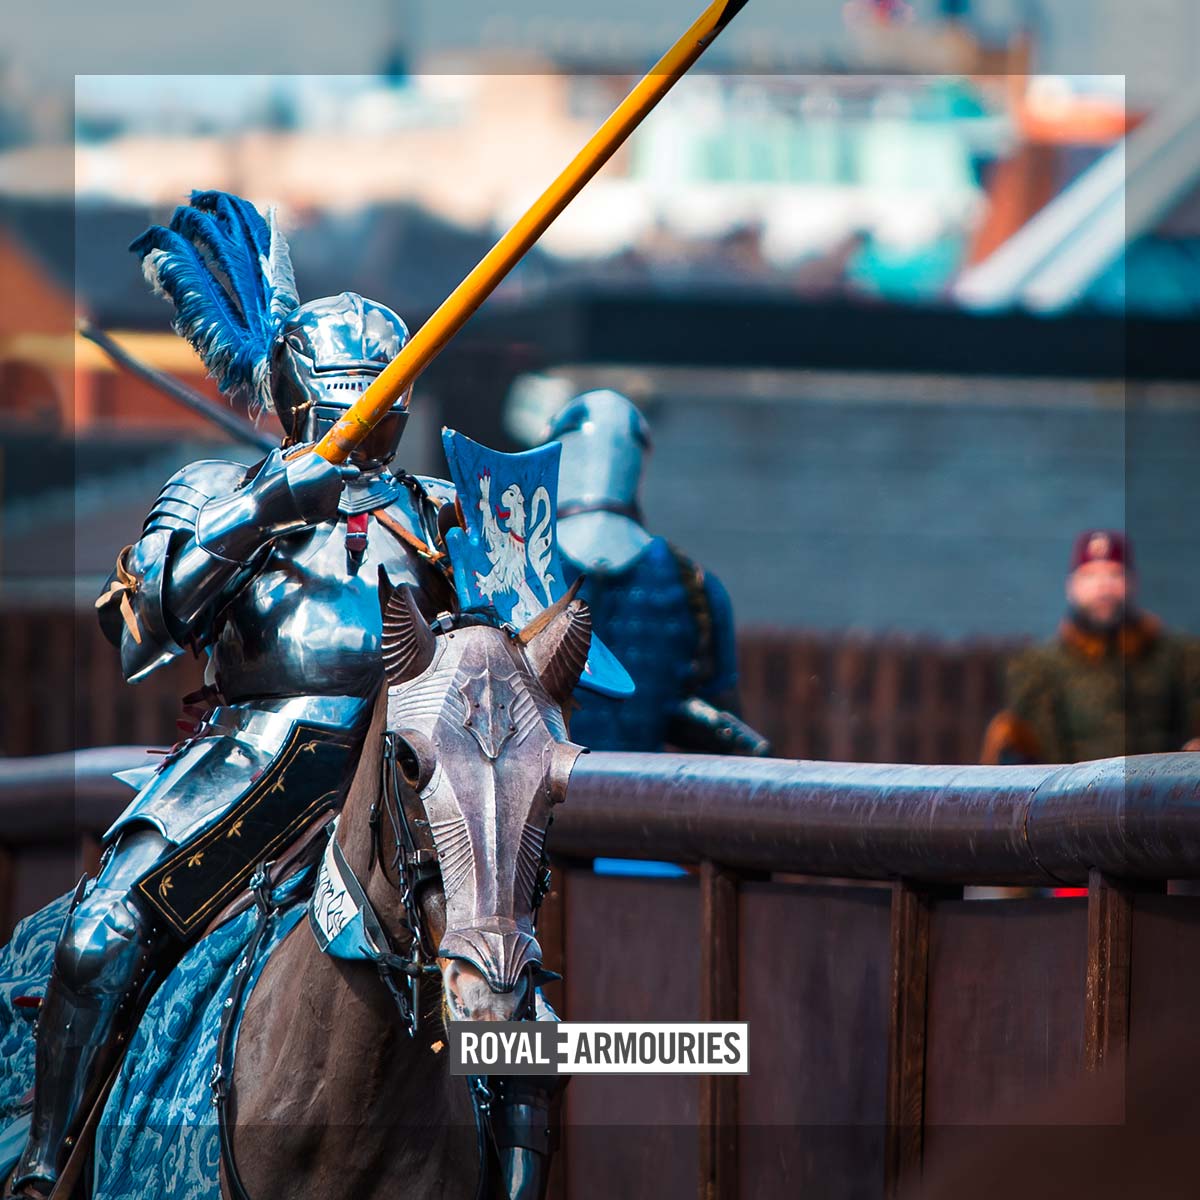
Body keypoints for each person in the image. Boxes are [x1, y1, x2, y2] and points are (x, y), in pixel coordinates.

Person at [8, 192, 549, 1200]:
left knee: (512, 982)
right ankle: (48, 1164)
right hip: (253, 764)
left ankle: (517, 1173)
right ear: (304, 399)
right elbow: (137, 624)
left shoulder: (437, 513)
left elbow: (501, 661)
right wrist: (268, 504)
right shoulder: (218, 491)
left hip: (402, 776)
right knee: (99, 936)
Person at [543, 389, 769, 756]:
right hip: (639, 801)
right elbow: (725, 731)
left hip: (537, 798)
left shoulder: (517, 566)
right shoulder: (691, 582)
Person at [981, 530, 1200, 765]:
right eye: (1090, 576)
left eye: (1115, 574)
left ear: (1132, 582)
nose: (1103, 588)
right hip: (1075, 798)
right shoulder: (1039, 668)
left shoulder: (1178, 657)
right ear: (1071, 586)